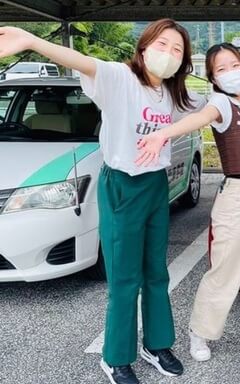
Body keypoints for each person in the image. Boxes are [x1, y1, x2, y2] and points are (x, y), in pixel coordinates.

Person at [0, 19, 206, 384]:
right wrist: (32, 40)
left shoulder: (171, 95)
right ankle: (116, 358)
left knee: (156, 273)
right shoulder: (119, 79)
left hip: (155, 186)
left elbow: (206, 109)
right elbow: (80, 59)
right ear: (143, 48)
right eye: (162, 45)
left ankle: (156, 345)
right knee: (125, 279)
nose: (169, 54)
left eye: (177, 50)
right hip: (122, 185)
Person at [135, 31, 240, 371]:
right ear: (213, 77)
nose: (231, 71)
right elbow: (198, 119)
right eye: (222, 68)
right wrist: (163, 133)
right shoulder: (220, 103)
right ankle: (200, 332)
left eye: (235, 65)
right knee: (225, 272)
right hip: (238, 195)